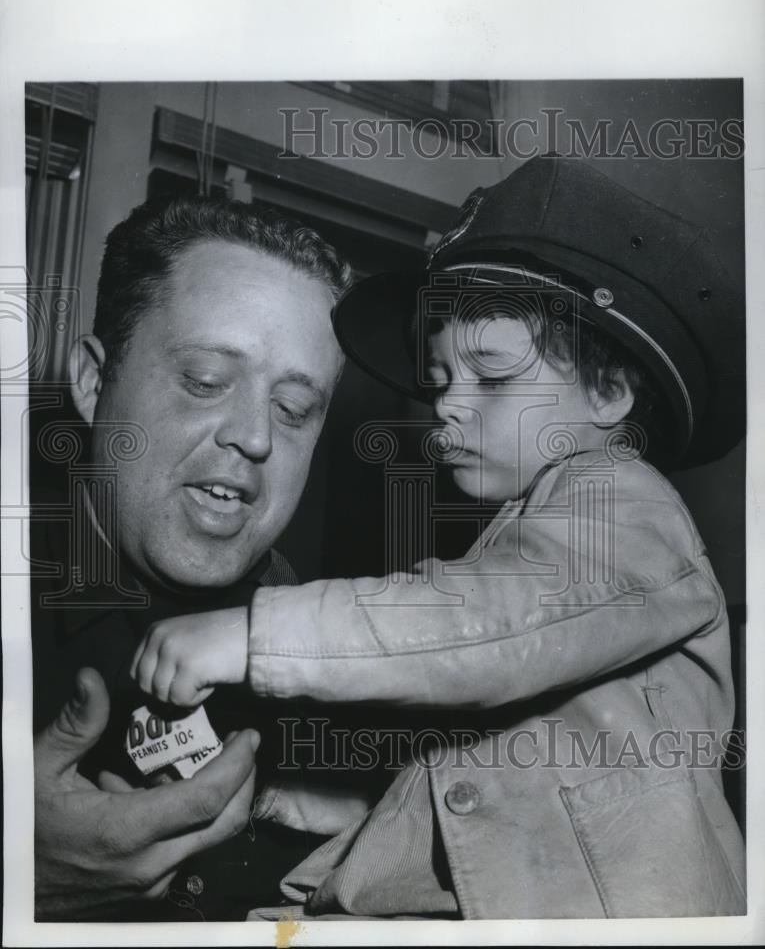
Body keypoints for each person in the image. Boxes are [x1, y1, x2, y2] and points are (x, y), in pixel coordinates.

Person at [131, 155, 747, 919]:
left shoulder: (625, 505)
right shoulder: (522, 540)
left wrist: (258, 634)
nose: (448, 405)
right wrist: (342, 809)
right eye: (440, 377)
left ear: (608, 392)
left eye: (490, 376)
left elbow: (479, 627)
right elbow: (489, 793)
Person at [31, 194, 353, 920]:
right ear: (92, 382)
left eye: (294, 409)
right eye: (206, 381)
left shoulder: (309, 628)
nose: (255, 436)